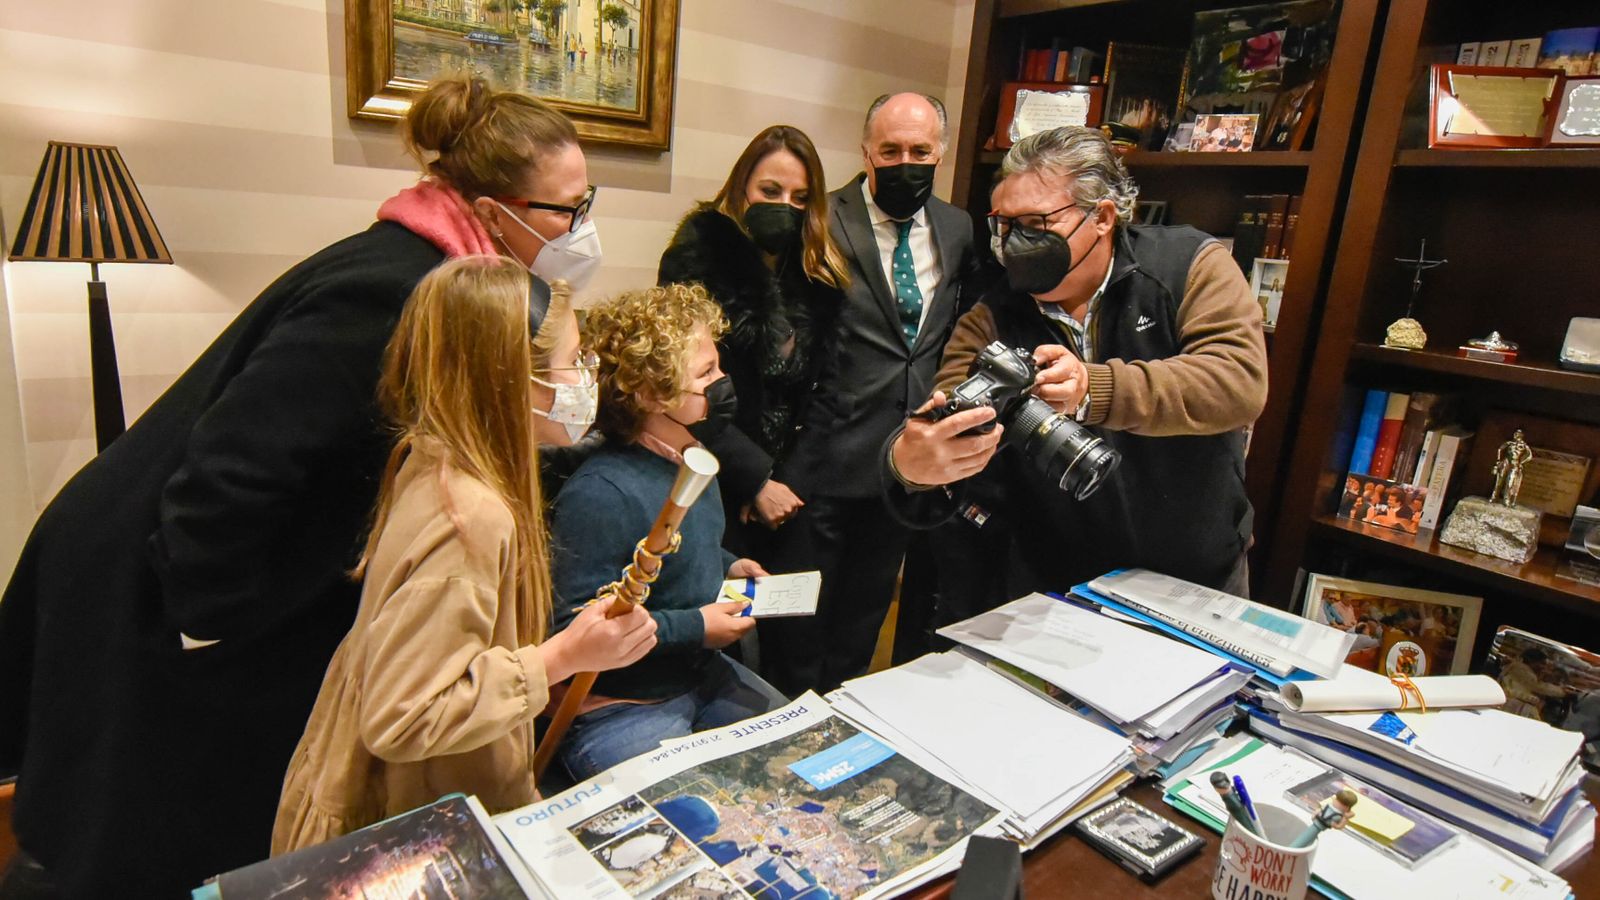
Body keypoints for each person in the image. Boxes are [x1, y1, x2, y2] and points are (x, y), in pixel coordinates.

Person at [0, 73, 603, 896]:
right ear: (491, 205)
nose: (578, 229)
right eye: (563, 211)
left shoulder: (439, 277)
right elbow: (235, 472)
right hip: (163, 576)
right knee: (143, 823)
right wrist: (216, 629)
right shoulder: (388, 288)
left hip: (214, 569)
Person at [273, 258, 656, 853]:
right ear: (505, 379)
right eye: (570, 364)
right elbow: (405, 715)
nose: (585, 379)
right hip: (414, 828)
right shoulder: (469, 517)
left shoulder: (438, 459)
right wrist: (561, 656)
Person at [883, 126, 1266, 620]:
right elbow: (948, 408)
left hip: (1192, 572)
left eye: (1036, 224)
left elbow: (1236, 382)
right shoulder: (993, 314)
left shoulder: (1188, 266)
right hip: (1056, 584)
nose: (1014, 244)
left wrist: (1093, 387)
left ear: (1102, 216)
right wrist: (917, 462)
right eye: (1004, 226)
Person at [758, 92, 979, 696]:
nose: (904, 161)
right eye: (890, 150)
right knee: (795, 625)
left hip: (903, 467)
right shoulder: (821, 219)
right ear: (866, 151)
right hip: (819, 462)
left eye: (919, 150)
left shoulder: (959, 228)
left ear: (941, 151)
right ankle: (782, 730)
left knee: (864, 617)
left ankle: (841, 724)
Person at [546, 284, 787, 780]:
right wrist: (699, 627)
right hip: (618, 701)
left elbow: (677, 550)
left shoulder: (693, 461)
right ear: (651, 394)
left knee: (797, 760)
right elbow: (576, 625)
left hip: (695, 676)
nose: (723, 383)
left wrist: (728, 565)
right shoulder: (602, 492)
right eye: (706, 374)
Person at [656, 126, 849, 563]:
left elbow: (828, 392)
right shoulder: (696, 259)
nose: (785, 207)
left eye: (800, 198)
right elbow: (684, 390)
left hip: (795, 490)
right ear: (742, 188)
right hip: (713, 478)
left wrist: (786, 484)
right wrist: (755, 481)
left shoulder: (820, 272)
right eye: (771, 190)